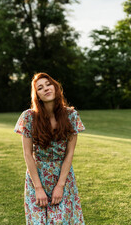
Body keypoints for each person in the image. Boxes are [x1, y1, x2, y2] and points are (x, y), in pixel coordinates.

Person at [14, 72, 86, 224]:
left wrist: (60, 186)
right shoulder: (28, 117)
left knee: (61, 221)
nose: (46, 88)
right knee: (38, 221)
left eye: (48, 84)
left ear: (55, 87)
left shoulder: (71, 116)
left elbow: (69, 153)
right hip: (37, 176)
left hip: (63, 176)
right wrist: (38, 188)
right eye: (40, 88)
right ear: (37, 95)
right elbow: (27, 154)